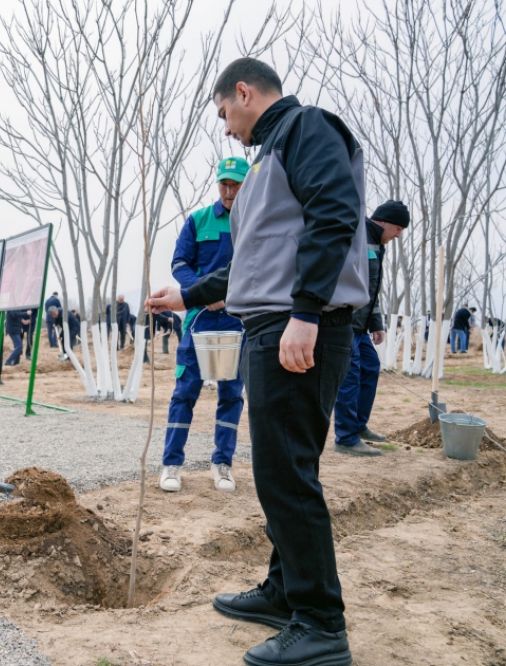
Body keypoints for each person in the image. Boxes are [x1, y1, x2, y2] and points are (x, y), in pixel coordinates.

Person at [147, 57, 369, 666]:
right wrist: (187, 295)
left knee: (285, 474)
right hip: (274, 328)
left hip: (299, 330)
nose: (226, 127)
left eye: (224, 112)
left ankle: (321, 624)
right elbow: (249, 264)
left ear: (243, 92)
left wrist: (306, 311)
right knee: (281, 468)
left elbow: (335, 213)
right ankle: (284, 591)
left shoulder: (305, 128)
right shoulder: (269, 158)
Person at [159, 156, 249, 495]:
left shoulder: (254, 222)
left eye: (235, 184)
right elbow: (179, 263)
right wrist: (203, 292)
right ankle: (171, 464)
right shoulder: (199, 220)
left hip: (237, 321)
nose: (229, 191)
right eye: (224, 184)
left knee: (231, 393)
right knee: (184, 392)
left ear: (246, 186)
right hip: (199, 319)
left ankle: (222, 463)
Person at [333, 200, 409, 457]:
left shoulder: (377, 243)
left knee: (370, 367)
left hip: (361, 326)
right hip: (344, 322)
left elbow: (371, 289)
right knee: (350, 376)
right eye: (398, 229)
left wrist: (376, 324)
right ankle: (345, 438)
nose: (398, 235)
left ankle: (358, 425)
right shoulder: (357, 235)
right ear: (384, 222)